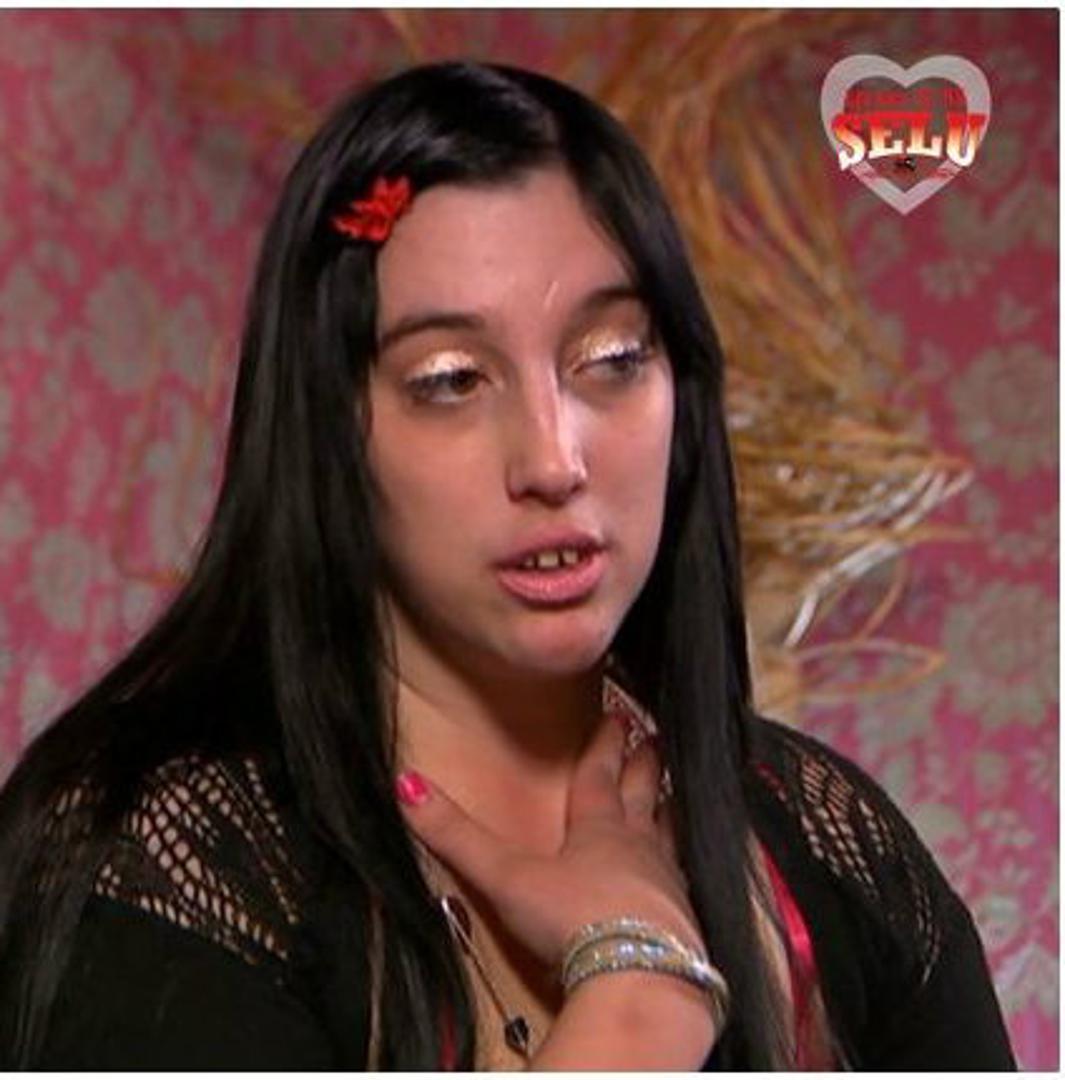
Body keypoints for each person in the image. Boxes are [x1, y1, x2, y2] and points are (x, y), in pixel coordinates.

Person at [0, 60, 1015, 1071]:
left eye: (612, 360)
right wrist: (640, 996)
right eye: (450, 380)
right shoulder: (160, 861)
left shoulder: (827, 843)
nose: (552, 460)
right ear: (329, 431)